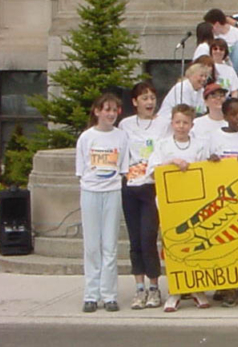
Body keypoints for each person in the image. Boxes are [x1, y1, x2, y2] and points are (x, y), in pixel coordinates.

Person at [148, 104, 211, 312]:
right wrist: (171, 163)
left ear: (192, 125)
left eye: (185, 123)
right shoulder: (163, 145)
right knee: (172, 248)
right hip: (169, 204)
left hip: (193, 204)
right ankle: (174, 290)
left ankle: (196, 288)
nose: (181, 126)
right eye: (177, 122)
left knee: (195, 245)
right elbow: (152, 172)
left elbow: (208, 171)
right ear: (172, 123)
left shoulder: (200, 146)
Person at [118, 82, 171, 310]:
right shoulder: (126, 124)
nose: (149, 102)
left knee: (149, 237)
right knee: (135, 240)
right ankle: (139, 288)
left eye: (152, 98)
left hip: (152, 185)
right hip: (131, 186)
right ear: (135, 102)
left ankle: (154, 286)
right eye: (144, 98)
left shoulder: (164, 124)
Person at [77, 93, 130, 313]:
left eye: (114, 110)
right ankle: (91, 295)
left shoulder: (121, 136)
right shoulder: (86, 137)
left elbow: (124, 167)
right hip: (90, 192)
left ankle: (109, 295)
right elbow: (82, 169)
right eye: (107, 109)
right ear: (97, 111)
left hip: (112, 191)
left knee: (109, 245)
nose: (111, 114)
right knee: (92, 246)